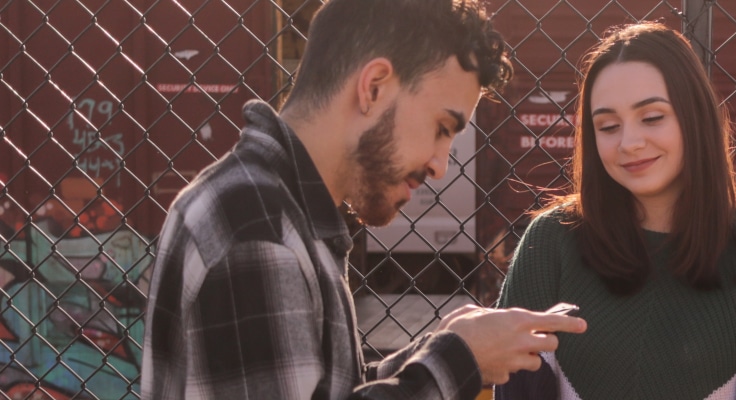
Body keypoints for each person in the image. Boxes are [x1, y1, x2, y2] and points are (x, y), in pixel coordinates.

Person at [140, 0, 586, 398]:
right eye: (441, 128)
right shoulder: (258, 226)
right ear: (373, 87)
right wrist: (459, 362)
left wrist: (442, 346)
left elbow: (326, 387)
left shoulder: (278, 209)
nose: (439, 164)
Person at [493, 22, 736, 399]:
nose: (630, 142)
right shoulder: (548, 242)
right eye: (608, 126)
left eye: (652, 117)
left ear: (695, 117)